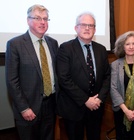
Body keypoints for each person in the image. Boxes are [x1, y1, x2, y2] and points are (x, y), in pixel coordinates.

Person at [5, 4, 59, 140]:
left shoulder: (53, 43)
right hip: (29, 107)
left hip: (51, 104)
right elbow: (12, 80)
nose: (42, 22)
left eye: (45, 19)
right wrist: (24, 108)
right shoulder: (15, 44)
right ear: (28, 20)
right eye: (38, 18)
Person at [56, 12, 111, 140]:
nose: (87, 28)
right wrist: (86, 100)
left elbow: (107, 76)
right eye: (83, 25)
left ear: (95, 29)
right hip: (74, 107)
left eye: (91, 25)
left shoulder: (101, 49)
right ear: (76, 28)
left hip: (96, 107)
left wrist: (100, 98)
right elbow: (64, 78)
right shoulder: (66, 48)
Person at [110, 31, 134, 140]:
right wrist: (126, 111)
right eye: (127, 44)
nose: (131, 47)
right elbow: (113, 88)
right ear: (122, 47)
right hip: (121, 111)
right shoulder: (115, 65)